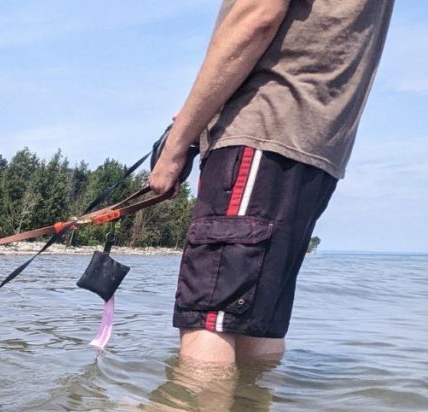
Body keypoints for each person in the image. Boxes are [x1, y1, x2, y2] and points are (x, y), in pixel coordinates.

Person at [149, 0, 394, 364]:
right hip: (318, 148)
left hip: (262, 128)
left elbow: (255, 18)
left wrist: (177, 142)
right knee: (256, 325)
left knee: (210, 321)